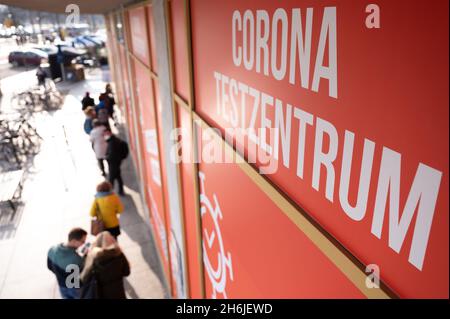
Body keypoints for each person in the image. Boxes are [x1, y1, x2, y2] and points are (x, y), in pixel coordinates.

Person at [80, 231, 130, 299]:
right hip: (118, 293)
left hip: (100, 294)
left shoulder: (92, 258)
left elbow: (84, 278)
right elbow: (127, 272)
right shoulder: (118, 254)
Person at [47, 228, 88, 299]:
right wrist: (85, 257)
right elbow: (82, 276)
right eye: (82, 241)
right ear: (74, 241)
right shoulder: (76, 259)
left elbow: (49, 267)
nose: (83, 244)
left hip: (62, 286)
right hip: (75, 289)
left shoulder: (52, 250)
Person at [105, 131, 128, 196]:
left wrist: (107, 157)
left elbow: (112, 154)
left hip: (113, 163)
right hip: (117, 162)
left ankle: (109, 193)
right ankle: (120, 191)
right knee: (118, 177)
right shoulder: (114, 140)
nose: (105, 136)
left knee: (111, 178)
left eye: (106, 134)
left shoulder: (112, 142)